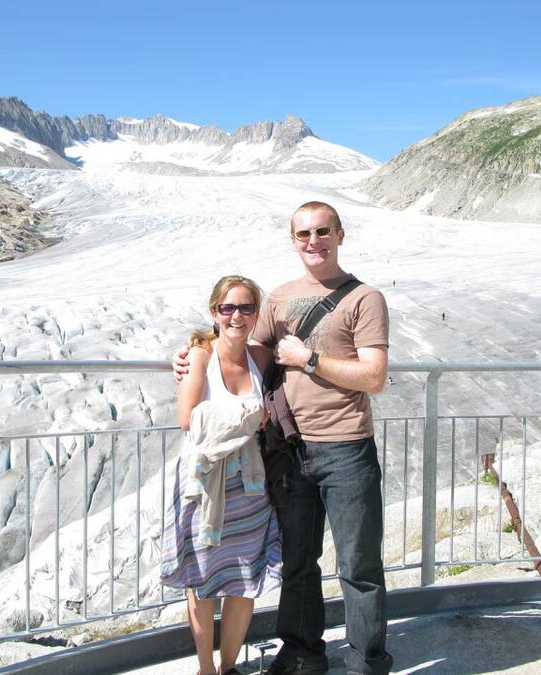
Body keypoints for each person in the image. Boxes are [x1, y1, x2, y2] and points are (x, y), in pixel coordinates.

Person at [178, 201, 391, 674]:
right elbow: (243, 348)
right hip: (290, 451)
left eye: (322, 231)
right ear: (294, 240)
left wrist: (309, 359)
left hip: (347, 447)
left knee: (359, 566)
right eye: (303, 234)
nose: (313, 241)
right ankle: (302, 654)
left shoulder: (365, 299)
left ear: (339, 235)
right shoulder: (279, 298)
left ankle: (367, 663)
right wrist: (196, 353)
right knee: (297, 561)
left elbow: (374, 376)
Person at [162, 275, 282, 675]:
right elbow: (188, 418)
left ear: (256, 314)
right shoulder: (200, 356)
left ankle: (228, 667)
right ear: (214, 312)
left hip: (249, 484)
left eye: (246, 308)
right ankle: (206, 668)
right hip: (204, 482)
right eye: (227, 308)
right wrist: (251, 415)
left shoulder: (260, 357)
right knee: (202, 576)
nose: (236, 316)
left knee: (244, 577)